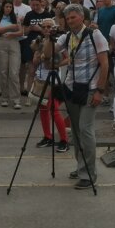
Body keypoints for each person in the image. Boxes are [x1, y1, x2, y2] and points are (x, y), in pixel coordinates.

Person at [54, 3, 109, 190]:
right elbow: (49, 52)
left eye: (73, 18)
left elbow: (105, 64)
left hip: (90, 89)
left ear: (82, 18)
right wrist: (46, 37)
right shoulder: (67, 37)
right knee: (76, 132)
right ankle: (81, 167)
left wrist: (100, 91)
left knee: (85, 130)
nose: (70, 21)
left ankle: (88, 174)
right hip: (71, 88)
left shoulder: (95, 35)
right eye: (67, 18)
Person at [32, 17, 69, 152]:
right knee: (42, 109)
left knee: (54, 110)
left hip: (54, 81)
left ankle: (64, 140)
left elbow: (69, 58)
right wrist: (37, 54)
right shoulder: (40, 41)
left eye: (50, 27)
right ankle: (48, 136)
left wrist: (57, 65)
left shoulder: (58, 42)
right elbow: (35, 62)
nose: (47, 29)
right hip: (41, 80)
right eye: (44, 27)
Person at [0, 0, 23, 110]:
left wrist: (12, 33)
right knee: (3, 71)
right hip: (2, 42)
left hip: (14, 43)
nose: (8, 9)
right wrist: (10, 27)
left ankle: (16, 99)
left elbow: (21, 32)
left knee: (14, 72)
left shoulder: (15, 17)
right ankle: (4, 97)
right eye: (6, 6)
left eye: (10, 7)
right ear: (3, 7)